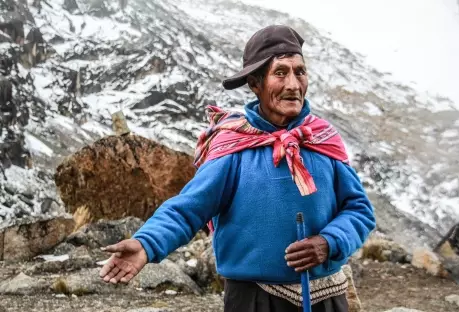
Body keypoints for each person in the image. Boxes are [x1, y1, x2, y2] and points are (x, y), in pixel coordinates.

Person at [99, 25, 376, 312]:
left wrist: (329, 242)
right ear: (256, 83)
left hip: (327, 297)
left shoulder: (321, 139)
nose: (293, 84)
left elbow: (359, 209)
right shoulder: (233, 146)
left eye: (300, 71)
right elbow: (187, 208)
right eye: (280, 72)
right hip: (254, 300)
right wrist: (146, 244)